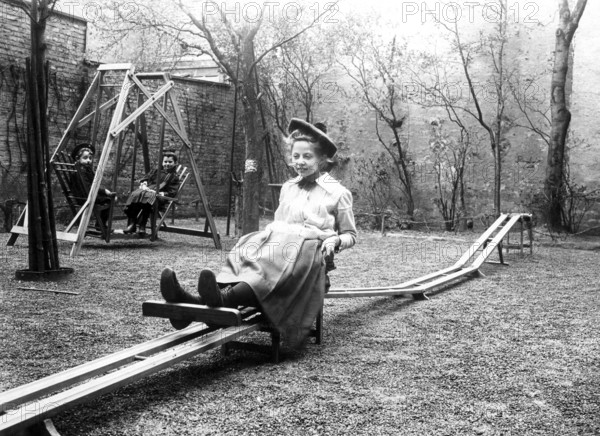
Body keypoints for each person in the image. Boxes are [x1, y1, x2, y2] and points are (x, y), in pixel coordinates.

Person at [160, 118, 357, 347]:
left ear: (322, 158)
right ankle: (203, 300)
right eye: (296, 157)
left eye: (307, 157)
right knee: (248, 246)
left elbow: (351, 235)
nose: (300, 162)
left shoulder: (338, 192)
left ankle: (200, 303)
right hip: (281, 245)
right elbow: (280, 223)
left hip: (310, 258)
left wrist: (335, 240)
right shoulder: (289, 187)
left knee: (282, 255)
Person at [122, 151, 180, 236]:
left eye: (170, 162)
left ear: (175, 163)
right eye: (165, 162)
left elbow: (172, 192)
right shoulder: (156, 171)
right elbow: (146, 177)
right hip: (147, 193)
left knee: (150, 198)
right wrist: (145, 183)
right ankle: (133, 223)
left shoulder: (174, 177)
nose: (167, 164)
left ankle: (142, 225)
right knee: (135, 195)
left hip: (160, 198)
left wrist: (159, 193)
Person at [70, 143, 114, 230]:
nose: (88, 160)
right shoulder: (80, 171)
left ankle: (100, 224)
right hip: (85, 197)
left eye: (90, 158)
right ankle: (100, 224)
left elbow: (92, 185)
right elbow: (90, 187)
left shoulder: (84, 169)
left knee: (107, 197)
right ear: (77, 158)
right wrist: (104, 191)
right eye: (85, 158)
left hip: (84, 195)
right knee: (110, 199)